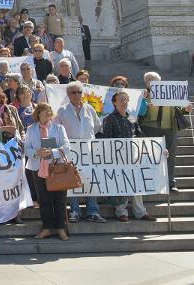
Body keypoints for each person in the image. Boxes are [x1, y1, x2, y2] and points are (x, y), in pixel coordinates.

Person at [54, 81, 105, 223]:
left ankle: (93, 211)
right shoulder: (62, 110)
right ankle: (75, 210)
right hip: (71, 151)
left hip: (88, 151)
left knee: (90, 179)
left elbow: (96, 127)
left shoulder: (89, 109)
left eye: (79, 92)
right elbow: (57, 130)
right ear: (68, 94)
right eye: (73, 92)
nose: (77, 95)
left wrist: (86, 139)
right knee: (71, 180)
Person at [103, 91, 157, 222]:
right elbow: (107, 139)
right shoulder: (109, 119)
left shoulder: (132, 117)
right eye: (121, 100)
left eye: (126, 99)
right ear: (114, 103)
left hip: (134, 155)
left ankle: (140, 212)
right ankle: (121, 212)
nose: (124, 102)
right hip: (118, 158)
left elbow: (140, 134)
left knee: (137, 182)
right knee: (121, 183)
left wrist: (155, 148)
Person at [138, 72, 192, 193]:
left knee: (171, 155)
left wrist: (186, 109)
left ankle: (171, 182)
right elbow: (137, 110)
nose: (156, 83)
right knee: (149, 155)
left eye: (157, 80)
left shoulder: (169, 91)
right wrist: (146, 104)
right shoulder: (143, 94)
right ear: (146, 82)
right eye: (151, 80)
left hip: (169, 126)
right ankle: (150, 181)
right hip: (149, 126)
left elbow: (177, 108)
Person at [25, 103, 71, 241]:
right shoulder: (31, 129)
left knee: (59, 200)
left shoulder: (58, 128)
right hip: (37, 168)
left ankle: (61, 228)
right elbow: (26, 148)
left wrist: (53, 152)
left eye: (49, 112)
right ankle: (47, 228)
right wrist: (36, 152)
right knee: (44, 200)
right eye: (44, 112)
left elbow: (67, 146)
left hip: (57, 168)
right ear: (38, 114)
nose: (47, 114)